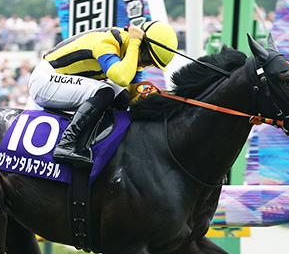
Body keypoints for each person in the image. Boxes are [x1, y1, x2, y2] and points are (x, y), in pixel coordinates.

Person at [28, 21, 178, 167]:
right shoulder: (108, 42)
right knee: (106, 92)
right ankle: (66, 144)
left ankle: (96, 144)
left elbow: (132, 97)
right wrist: (134, 43)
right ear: (140, 43)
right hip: (44, 81)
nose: (145, 65)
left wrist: (161, 99)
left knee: (122, 97)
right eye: (147, 58)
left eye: (152, 64)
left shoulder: (132, 51)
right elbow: (122, 78)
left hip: (61, 80)